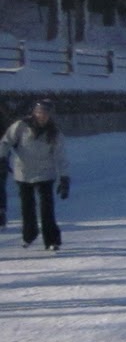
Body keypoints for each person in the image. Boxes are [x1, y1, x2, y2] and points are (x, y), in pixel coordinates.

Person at [0, 100, 70, 250]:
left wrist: (64, 179)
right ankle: (29, 235)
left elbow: (61, 157)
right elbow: (6, 142)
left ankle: (52, 240)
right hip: (23, 173)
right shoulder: (21, 126)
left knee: (47, 209)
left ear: (50, 115)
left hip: (45, 173)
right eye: (39, 112)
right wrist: (2, 158)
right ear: (34, 112)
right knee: (27, 207)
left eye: (45, 113)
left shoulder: (54, 133)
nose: (41, 116)